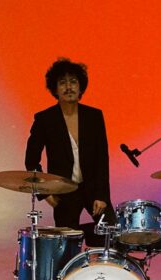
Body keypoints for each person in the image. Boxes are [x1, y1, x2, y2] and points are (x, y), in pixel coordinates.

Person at [25, 58, 117, 231]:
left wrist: (102, 195)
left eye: (73, 82)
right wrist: (45, 193)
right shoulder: (45, 119)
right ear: (55, 89)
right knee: (66, 241)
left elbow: (102, 158)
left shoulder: (94, 116)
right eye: (62, 83)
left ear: (81, 87)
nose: (69, 87)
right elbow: (31, 160)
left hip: (93, 189)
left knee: (111, 233)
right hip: (63, 191)